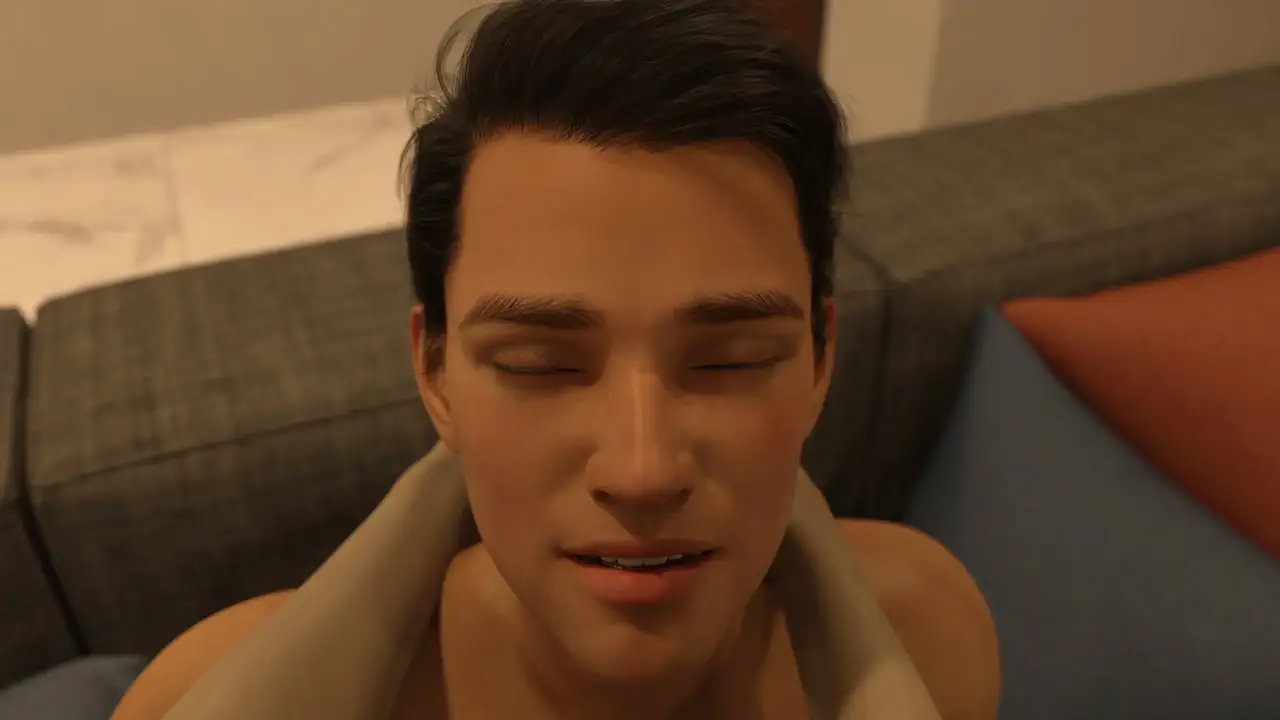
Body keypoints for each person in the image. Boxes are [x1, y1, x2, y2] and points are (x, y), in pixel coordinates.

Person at [111, 1, 1000, 718]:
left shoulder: (927, 628)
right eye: (538, 365)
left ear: (820, 358)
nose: (643, 471)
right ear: (434, 373)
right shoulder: (200, 689)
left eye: (731, 361)